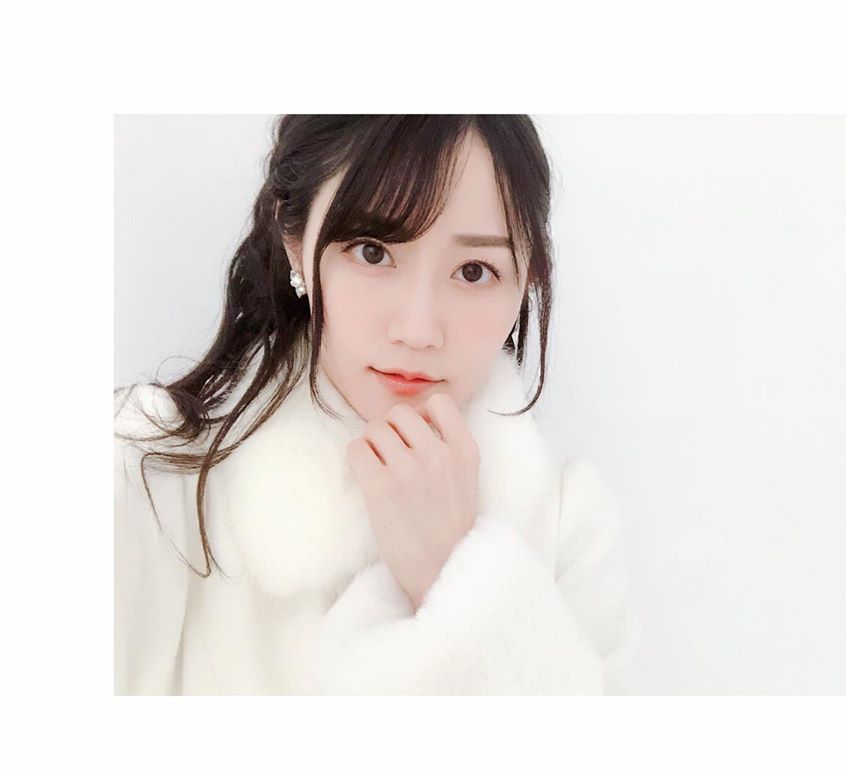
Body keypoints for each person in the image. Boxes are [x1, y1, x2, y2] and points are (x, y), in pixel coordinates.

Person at [114, 115, 640, 695]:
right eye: (372, 251)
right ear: (296, 244)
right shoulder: (148, 478)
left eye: (473, 271)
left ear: (527, 280)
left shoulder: (567, 526)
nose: (418, 330)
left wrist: (456, 575)